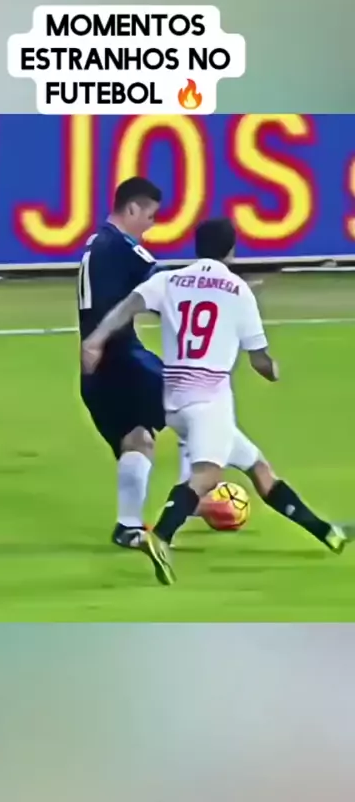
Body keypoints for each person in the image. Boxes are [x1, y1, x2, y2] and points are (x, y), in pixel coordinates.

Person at [82, 217, 353, 584]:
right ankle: (160, 537)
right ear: (231, 250)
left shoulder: (169, 280)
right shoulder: (237, 290)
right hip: (209, 403)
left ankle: (328, 533)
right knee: (207, 475)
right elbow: (259, 361)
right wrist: (273, 369)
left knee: (259, 469)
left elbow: (126, 308)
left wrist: (95, 340)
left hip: (174, 402)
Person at [77, 176, 169, 549]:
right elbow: (167, 288)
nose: (151, 224)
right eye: (150, 215)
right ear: (132, 208)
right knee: (196, 403)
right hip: (124, 362)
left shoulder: (94, 244)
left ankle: (127, 528)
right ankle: (197, 494)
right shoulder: (123, 247)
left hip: (94, 374)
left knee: (138, 440)